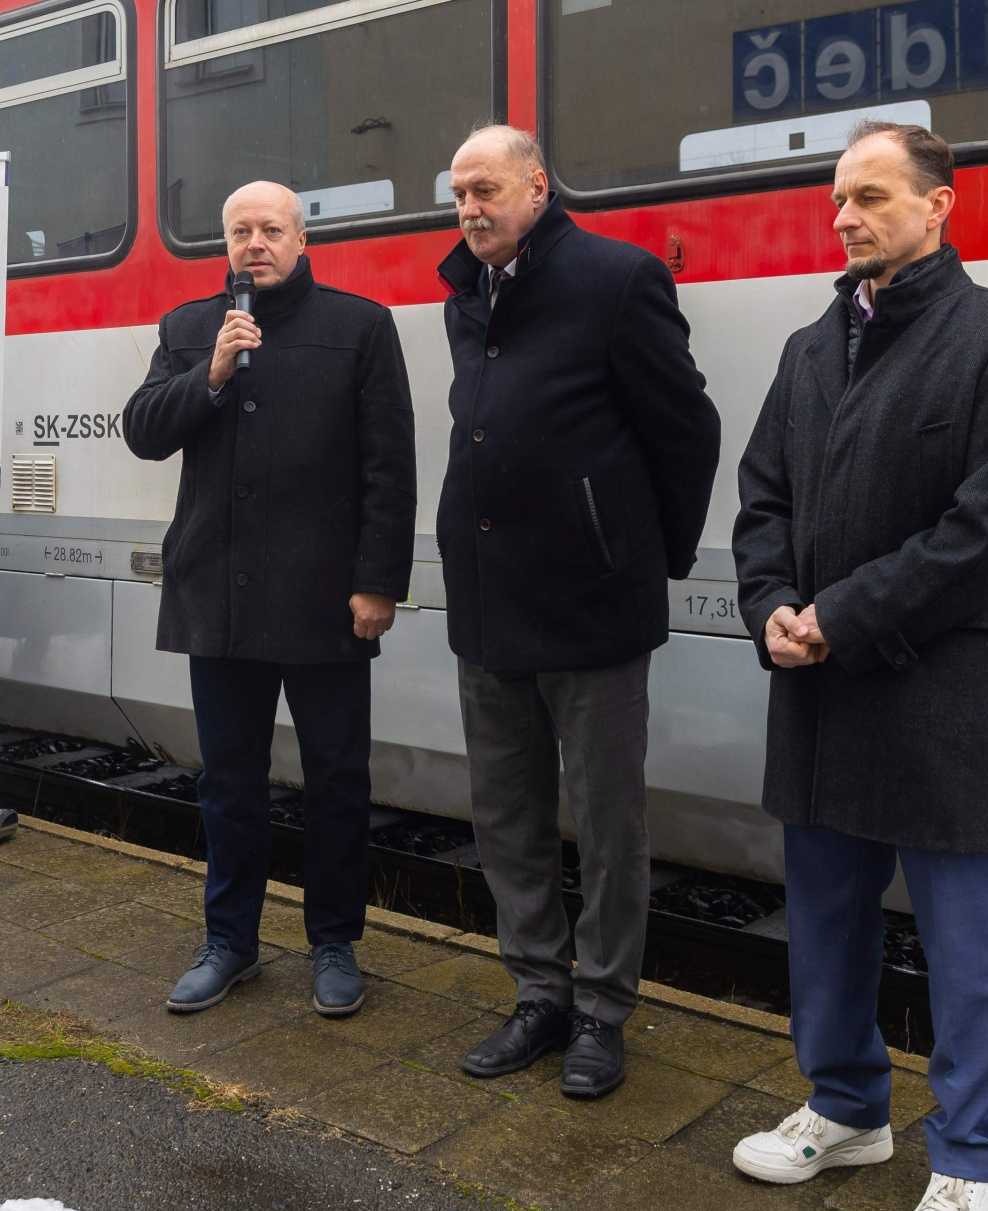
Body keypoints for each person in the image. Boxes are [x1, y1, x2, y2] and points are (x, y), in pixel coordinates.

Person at [728, 121, 988, 1211]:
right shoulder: (810, 348)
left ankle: (973, 1166)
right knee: (824, 922)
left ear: (941, 206)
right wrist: (769, 598)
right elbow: (760, 495)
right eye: (837, 200)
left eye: (871, 196)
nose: (846, 217)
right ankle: (848, 1108)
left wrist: (843, 614)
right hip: (818, 690)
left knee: (965, 944)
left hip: (938, 694)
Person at [436, 125, 721, 1099]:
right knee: (507, 816)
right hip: (487, 602)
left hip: (593, 605)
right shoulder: (464, 297)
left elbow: (685, 431)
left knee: (606, 820)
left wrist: (648, 557)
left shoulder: (617, 280)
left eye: (485, 188)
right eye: (458, 192)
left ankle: (602, 1009)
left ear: (538, 185)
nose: (469, 207)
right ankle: (538, 993)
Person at [123, 180, 417, 1019]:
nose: (256, 243)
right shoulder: (189, 330)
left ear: (300, 238)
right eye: (241, 230)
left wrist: (377, 583)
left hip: (327, 599)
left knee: (335, 779)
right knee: (229, 783)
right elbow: (144, 430)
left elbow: (388, 468)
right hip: (217, 595)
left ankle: (334, 942)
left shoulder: (359, 326)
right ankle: (231, 944)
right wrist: (211, 373)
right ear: (225, 242)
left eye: (272, 229)